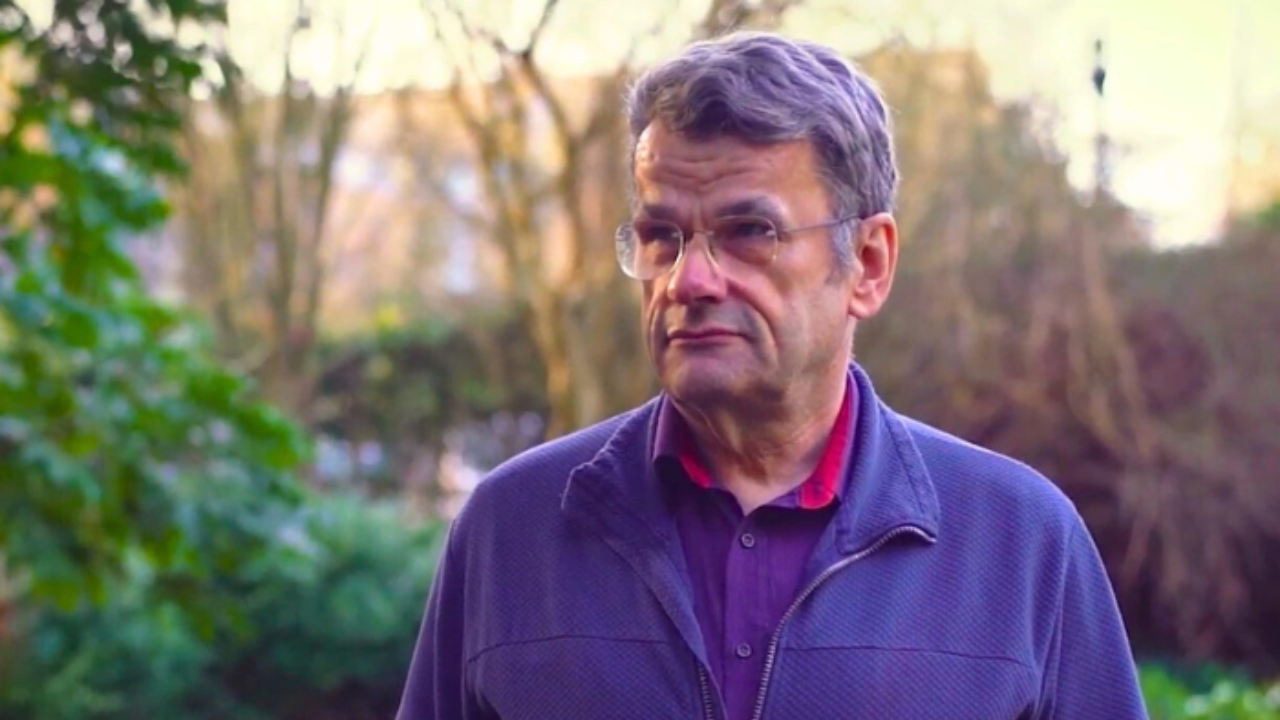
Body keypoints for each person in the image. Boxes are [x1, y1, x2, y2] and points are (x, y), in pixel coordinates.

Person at [396, 31, 1148, 720]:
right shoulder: (511, 532)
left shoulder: (1019, 543)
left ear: (869, 264)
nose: (689, 279)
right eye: (662, 236)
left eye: (749, 232)